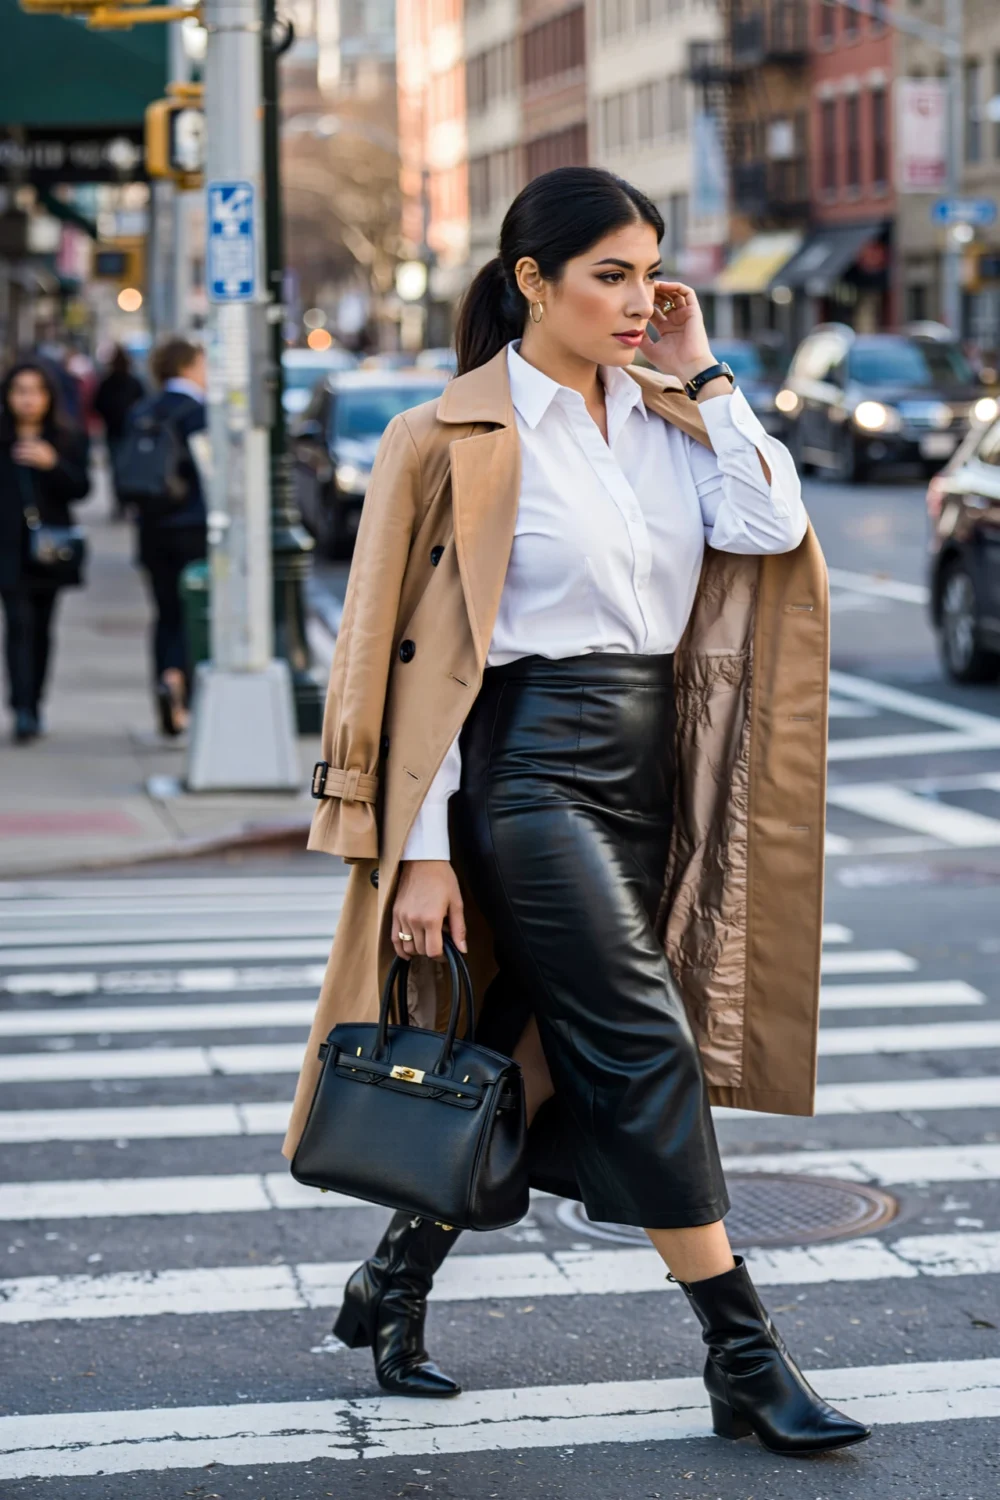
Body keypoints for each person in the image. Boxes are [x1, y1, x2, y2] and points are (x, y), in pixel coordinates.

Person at [284, 167, 870, 1456]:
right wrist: (423, 851)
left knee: (529, 1052)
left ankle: (393, 1278)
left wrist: (705, 371)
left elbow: (769, 526)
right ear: (529, 282)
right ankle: (742, 1351)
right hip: (526, 774)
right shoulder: (446, 436)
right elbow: (400, 658)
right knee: (644, 1048)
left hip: (650, 773)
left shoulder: (666, 417)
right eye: (607, 273)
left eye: (650, 272)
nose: (638, 298)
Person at [0, 359, 89, 742]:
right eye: (20, 391)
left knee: (42, 628)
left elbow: (81, 488)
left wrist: (52, 464)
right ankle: (21, 708)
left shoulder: (65, 439)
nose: (28, 400)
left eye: (36, 392)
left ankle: (35, 700)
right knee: (18, 625)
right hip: (6, 548)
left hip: (50, 550)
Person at [127, 337, 208, 736]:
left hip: (152, 528)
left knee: (164, 613)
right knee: (193, 612)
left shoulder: (144, 410)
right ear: (189, 366)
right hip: (194, 526)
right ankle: (181, 691)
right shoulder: (199, 412)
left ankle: (163, 677)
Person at [94, 345, 144, 516]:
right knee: (129, 468)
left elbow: (97, 404)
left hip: (117, 432)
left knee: (117, 469)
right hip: (126, 433)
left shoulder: (108, 382)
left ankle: (122, 501)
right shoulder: (131, 382)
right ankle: (127, 501)